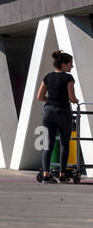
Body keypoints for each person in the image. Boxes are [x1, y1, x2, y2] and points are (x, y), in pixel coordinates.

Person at [36, 49, 77, 183]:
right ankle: (62, 175)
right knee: (65, 143)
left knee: (48, 144)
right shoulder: (68, 78)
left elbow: (39, 97)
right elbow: (71, 98)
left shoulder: (47, 77)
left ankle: (46, 175)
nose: (72, 66)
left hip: (48, 112)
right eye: (70, 63)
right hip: (63, 112)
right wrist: (76, 100)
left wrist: (50, 100)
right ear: (64, 64)